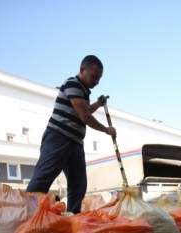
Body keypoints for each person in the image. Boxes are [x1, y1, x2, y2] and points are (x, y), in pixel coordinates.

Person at [26, 55, 117, 214]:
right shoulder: (73, 84)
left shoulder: (83, 91)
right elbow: (85, 116)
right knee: (42, 179)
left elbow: (85, 111)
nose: (96, 81)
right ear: (82, 70)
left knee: (78, 186)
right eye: (94, 76)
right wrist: (106, 130)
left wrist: (98, 103)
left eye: (99, 78)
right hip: (58, 138)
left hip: (75, 143)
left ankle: (73, 219)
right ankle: (27, 214)